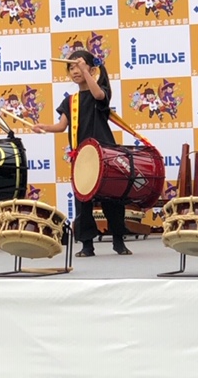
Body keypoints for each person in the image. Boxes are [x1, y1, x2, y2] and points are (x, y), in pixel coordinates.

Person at [33, 50, 132, 257]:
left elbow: (98, 95)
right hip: (82, 157)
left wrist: (87, 71)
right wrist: (44, 127)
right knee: (83, 201)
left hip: (105, 154)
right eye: (71, 67)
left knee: (112, 199)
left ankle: (118, 240)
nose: (75, 71)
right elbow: (61, 126)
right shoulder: (71, 101)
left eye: (79, 66)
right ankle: (87, 244)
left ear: (92, 70)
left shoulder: (101, 92)